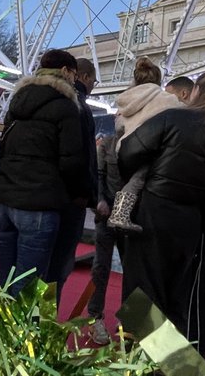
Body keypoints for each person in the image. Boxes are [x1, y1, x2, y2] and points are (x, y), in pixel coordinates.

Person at [118, 68, 205, 360]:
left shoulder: (172, 117)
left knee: (144, 292)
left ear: (193, 92)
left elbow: (128, 152)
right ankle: (180, 363)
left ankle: (143, 361)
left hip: (155, 214)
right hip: (194, 225)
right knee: (183, 298)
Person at [0, 49, 85, 297]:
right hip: (39, 203)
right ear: (65, 71)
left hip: (3, 202)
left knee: (6, 282)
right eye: (74, 74)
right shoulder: (66, 107)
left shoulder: (17, 104)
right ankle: (20, 335)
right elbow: (71, 162)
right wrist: (74, 195)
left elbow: (3, 151)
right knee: (27, 288)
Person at [46, 57, 99, 309]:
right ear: (84, 77)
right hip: (68, 200)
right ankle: (42, 327)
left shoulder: (39, 99)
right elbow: (81, 156)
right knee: (57, 267)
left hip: (37, 195)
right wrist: (87, 194)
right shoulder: (79, 108)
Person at [107, 56, 183, 232]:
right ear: (158, 79)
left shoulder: (127, 98)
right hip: (149, 147)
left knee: (133, 178)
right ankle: (119, 215)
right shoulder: (165, 98)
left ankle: (120, 213)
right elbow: (180, 116)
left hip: (126, 149)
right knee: (140, 177)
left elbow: (119, 125)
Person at [87, 134, 120, 344]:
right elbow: (96, 175)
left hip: (134, 216)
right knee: (101, 267)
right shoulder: (107, 143)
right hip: (106, 215)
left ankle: (129, 320)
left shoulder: (145, 138)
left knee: (136, 271)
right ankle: (95, 318)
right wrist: (98, 201)